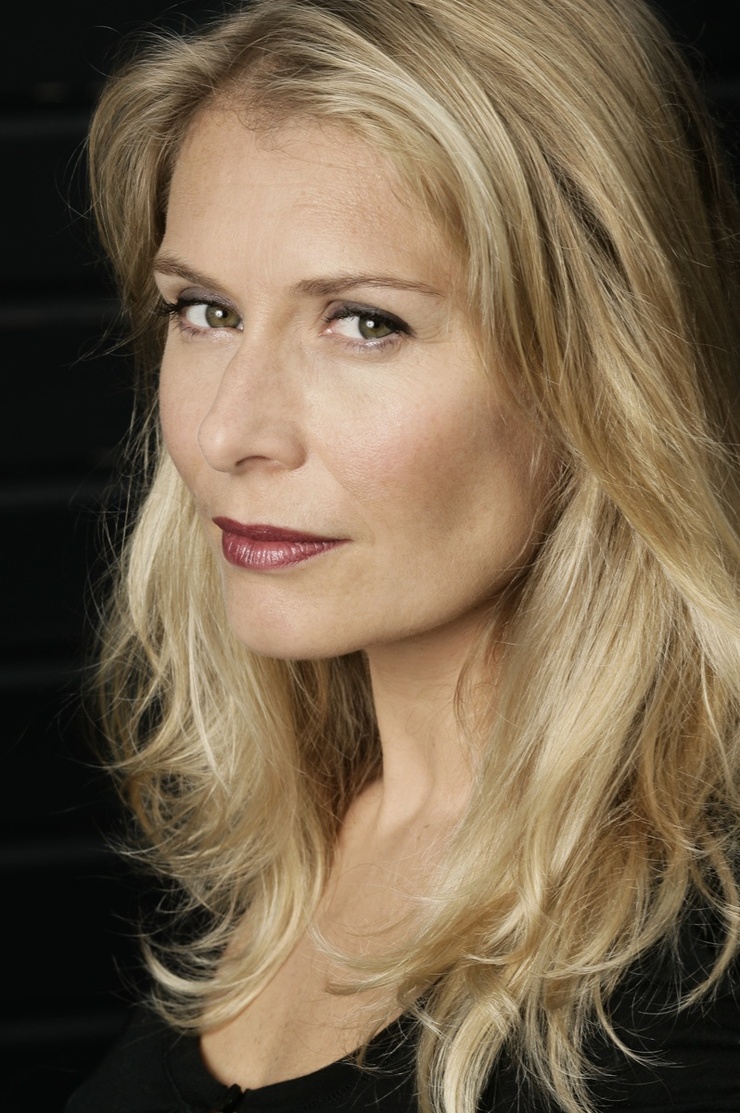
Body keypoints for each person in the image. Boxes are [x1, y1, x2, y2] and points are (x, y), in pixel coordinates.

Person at [65, 0, 740, 1110]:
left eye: (364, 323)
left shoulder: (690, 994)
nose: (229, 432)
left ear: (601, 363)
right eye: (205, 311)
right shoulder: (314, 824)